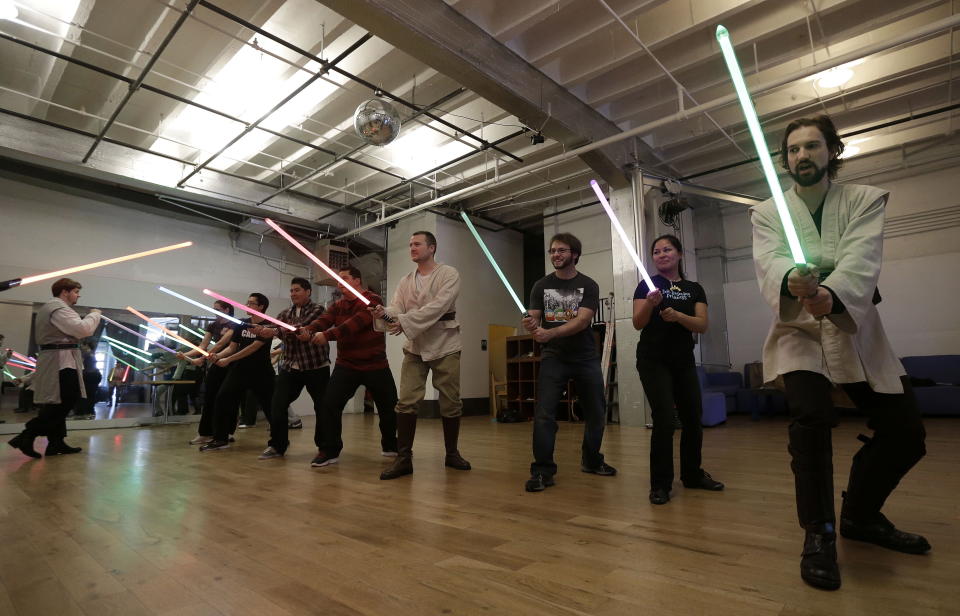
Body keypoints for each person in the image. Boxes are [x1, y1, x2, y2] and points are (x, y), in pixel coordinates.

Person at [752, 115, 929, 591]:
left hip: (854, 327)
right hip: (798, 331)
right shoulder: (768, 211)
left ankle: (860, 515)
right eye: (793, 150)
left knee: (906, 432)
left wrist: (831, 293)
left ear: (831, 151)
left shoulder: (865, 200)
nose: (802, 156)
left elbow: (861, 256)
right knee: (810, 422)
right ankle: (819, 534)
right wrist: (791, 279)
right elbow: (769, 261)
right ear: (785, 158)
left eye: (812, 147)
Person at [632, 234, 724, 505]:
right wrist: (649, 303)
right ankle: (660, 484)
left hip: (683, 361)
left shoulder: (694, 288)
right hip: (653, 360)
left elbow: (702, 325)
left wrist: (678, 316)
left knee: (693, 418)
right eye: (657, 251)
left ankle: (692, 475)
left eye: (667, 249)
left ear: (679, 254)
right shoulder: (645, 286)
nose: (662, 254)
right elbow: (638, 323)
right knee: (664, 420)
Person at [372, 231, 470, 480]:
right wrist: (384, 313)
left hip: (445, 342)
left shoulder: (449, 274)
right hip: (415, 346)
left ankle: (452, 453)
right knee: (406, 400)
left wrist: (402, 321)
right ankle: (404, 458)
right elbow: (398, 308)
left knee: (450, 400)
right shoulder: (406, 280)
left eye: (417, 244)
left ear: (432, 248)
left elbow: (438, 307)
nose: (412, 248)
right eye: (410, 244)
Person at [522, 233, 616, 492]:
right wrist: (531, 324)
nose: (556, 255)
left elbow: (583, 321)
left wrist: (549, 333)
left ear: (574, 254)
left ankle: (592, 460)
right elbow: (535, 317)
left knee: (596, 411)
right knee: (544, 415)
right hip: (555, 357)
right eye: (552, 251)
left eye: (562, 250)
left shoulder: (588, 285)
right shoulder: (541, 285)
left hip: (585, 356)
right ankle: (542, 471)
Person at [295, 265, 397, 467]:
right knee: (329, 404)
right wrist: (306, 331)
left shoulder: (373, 300)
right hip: (347, 365)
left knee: (389, 407)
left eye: (344, 278)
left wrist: (326, 336)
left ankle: (391, 446)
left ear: (357, 280)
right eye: (338, 278)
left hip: (375, 364)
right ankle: (329, 450)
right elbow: (323, 321)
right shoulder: (337, 305)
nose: (340, 281)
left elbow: (353, 325)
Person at [8, 278, 101, 458]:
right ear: (64, 292)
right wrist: (94, 314)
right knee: (63, 403)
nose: (78, 295)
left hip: (60, 360)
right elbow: (83, 330)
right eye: (75, 291)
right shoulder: (58, 308)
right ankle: (26, 436)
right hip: (61, 363)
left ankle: (56, 443)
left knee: (58, 403)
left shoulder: (52, 308)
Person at [252, 277, 329, 461]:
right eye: (291, 291)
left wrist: (276, 331)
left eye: (297, 290)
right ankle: (277, 445)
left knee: (323, 408)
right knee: (277, 405)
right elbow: (273, 326)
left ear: (308, 291)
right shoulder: (285, 312)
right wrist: (263, 330)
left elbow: (302, 327)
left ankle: (325, 448)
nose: (293, 294)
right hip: (290, 366)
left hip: (315, 366)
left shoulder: (318, 309)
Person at [200, 293, 276, 452]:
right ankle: (221, 438)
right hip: (240, 370)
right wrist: (217, 356)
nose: (247, 305)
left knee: (271, 407)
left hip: (261, 371)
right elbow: (232, 346)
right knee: (222, 398)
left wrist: (228, 360)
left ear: (261, 306)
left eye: (252, 303)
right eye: (247, 302)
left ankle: (278, 440)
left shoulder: (268, 326)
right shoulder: (242, 323)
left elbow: (253, 347)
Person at [180, 301, 235, 445]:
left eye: (217, 309)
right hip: (216, 363)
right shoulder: (213, 325)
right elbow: (203, 346)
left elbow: (221, 345)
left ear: (227, 310)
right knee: (210, 397)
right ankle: (205, 433)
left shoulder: (234, 325)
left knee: (227, 399)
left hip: (230, 363)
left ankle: (227, 432)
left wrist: (202, 358)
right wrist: (186, 354)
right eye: (214, 309)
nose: (215, 312)